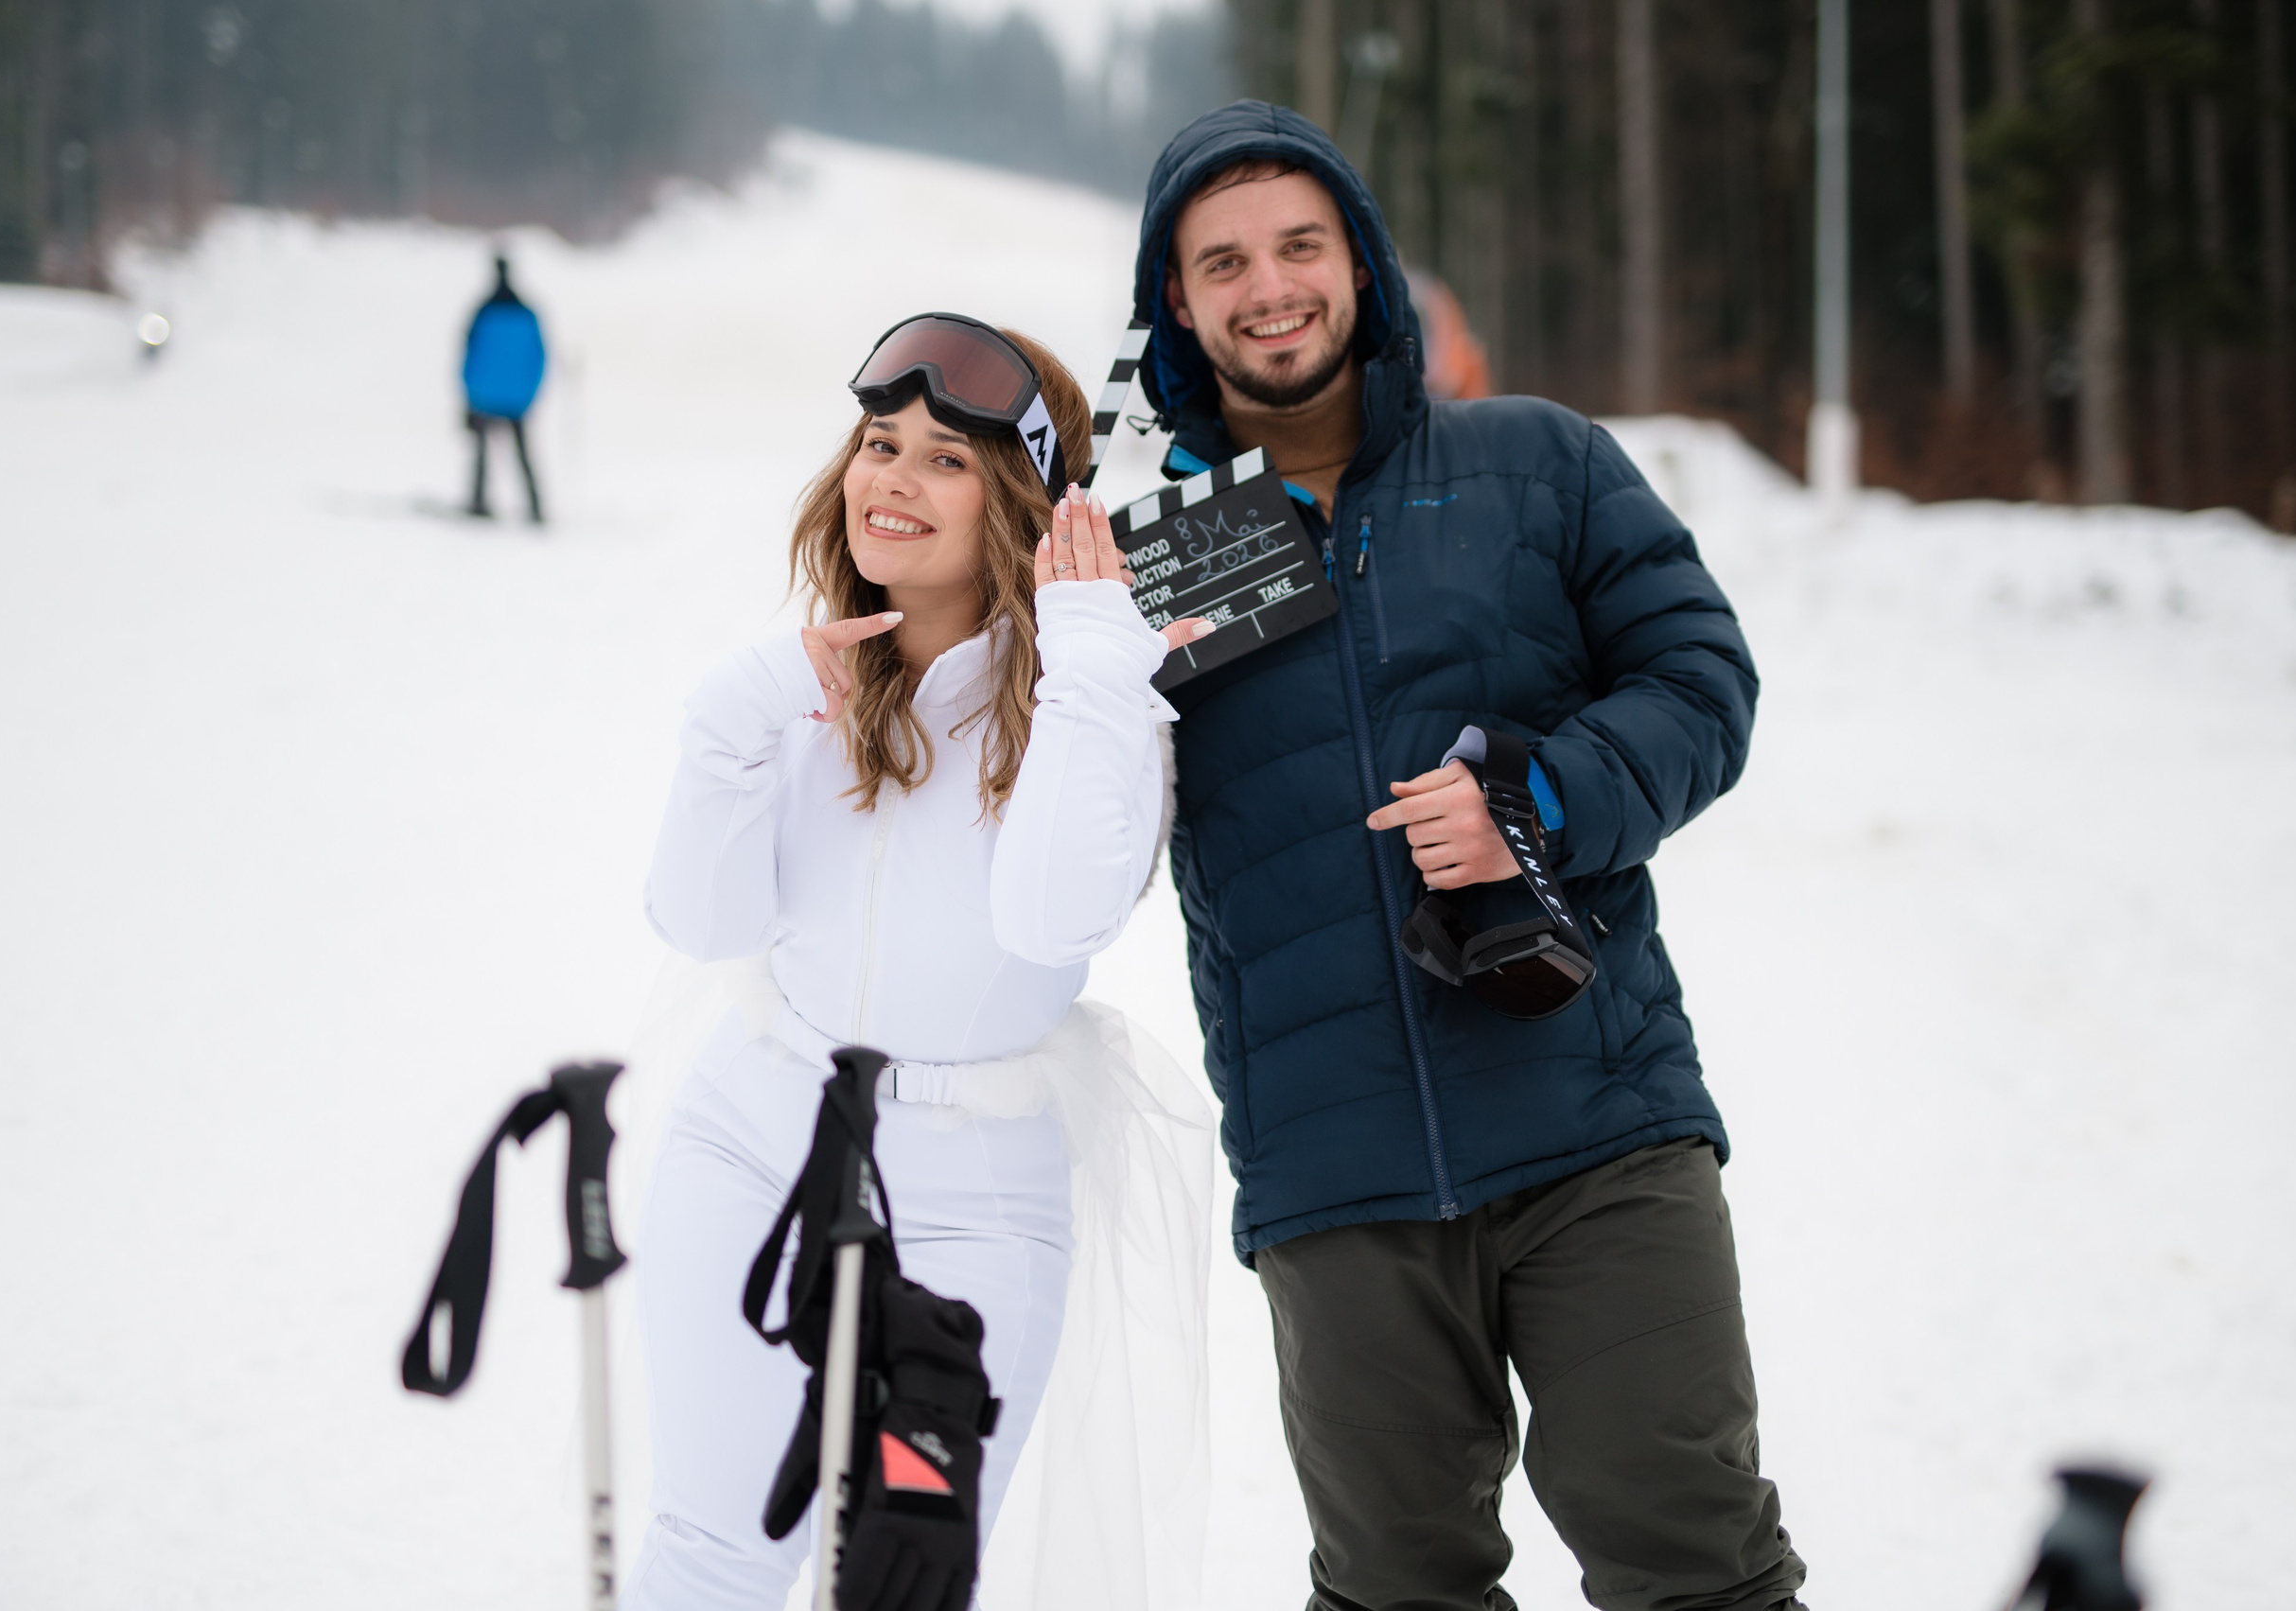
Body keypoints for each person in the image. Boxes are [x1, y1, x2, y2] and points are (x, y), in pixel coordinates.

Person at [1130, 102, 1808, 1611]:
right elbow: (1043, 807)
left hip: (1597, 1121)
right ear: (1178, 302)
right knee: (1396, 1587)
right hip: (1336, 1168)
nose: (1270, 284)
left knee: (1697, 1559)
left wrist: (1543, 793)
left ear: (1359, 264)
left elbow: (1702, 679)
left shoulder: (1537, 462)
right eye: (1224, 259)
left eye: (1301, 244)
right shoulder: (1151, 555)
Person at [622, 315, 1216, 1611]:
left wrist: (1092, 662)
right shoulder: (810, 677)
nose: (889, 477)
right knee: (712, 1547)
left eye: (944, 458)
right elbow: (708, 924)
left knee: (901, 1579)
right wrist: (735, 717)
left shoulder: (1098, 697)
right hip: (755, 1146)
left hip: (979, 1200)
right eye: (878, 444)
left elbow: (1055, 918)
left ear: (1020, 504)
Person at [461, 253, 546, 523]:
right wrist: (530, 392)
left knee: (482, 452)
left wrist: (469, 391)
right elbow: (538, 356)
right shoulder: (527, 312)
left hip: (485, 394)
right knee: (523, 454)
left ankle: (478, 501)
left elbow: (470, 352)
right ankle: (534, 505)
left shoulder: (484, 310)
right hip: (518, 396)